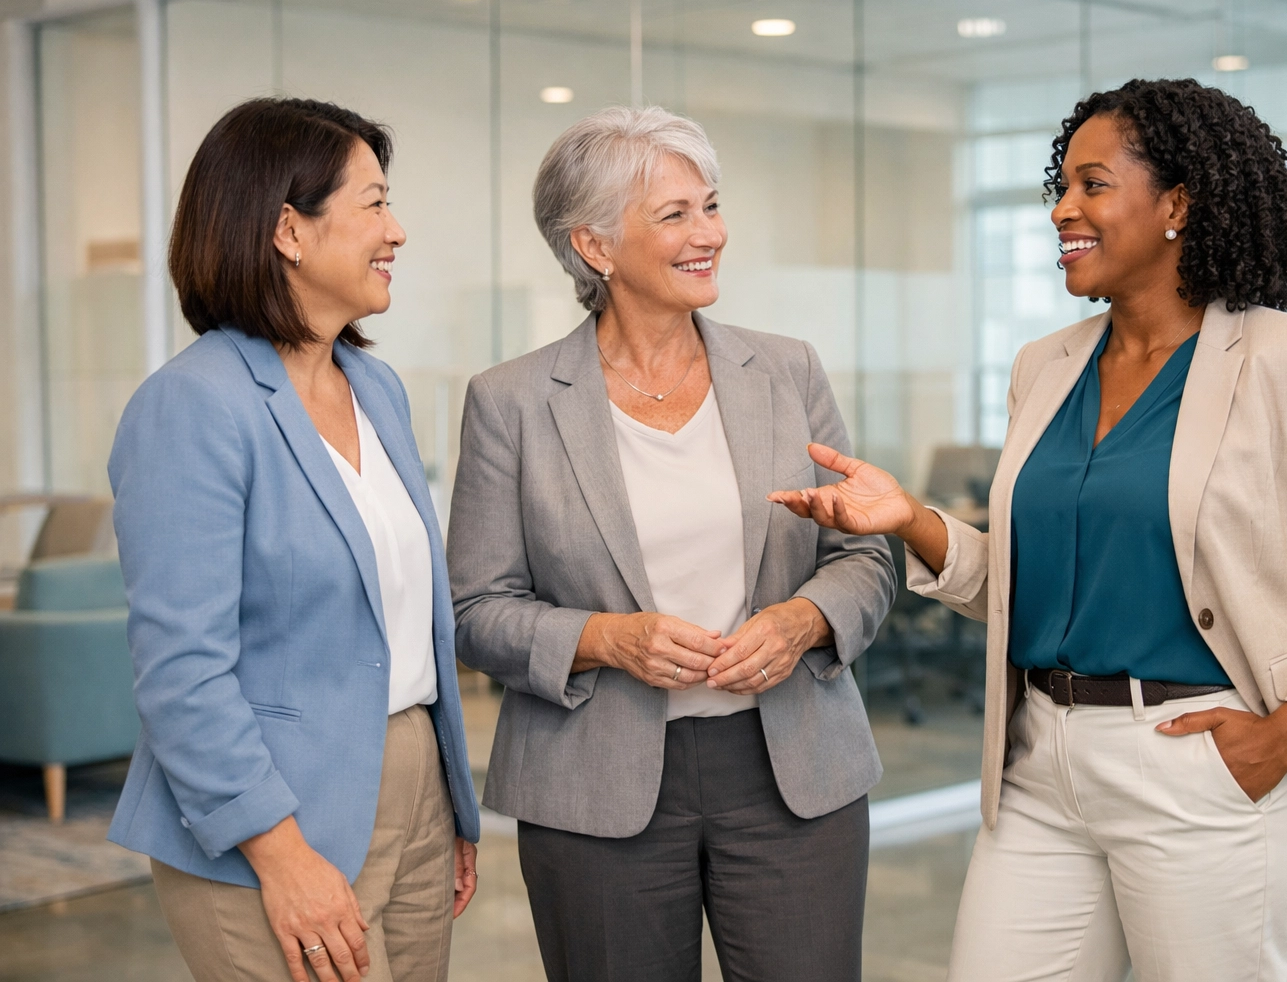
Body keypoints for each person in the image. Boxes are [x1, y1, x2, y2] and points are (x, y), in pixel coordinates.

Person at [769, 78, 1287, 982]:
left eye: (1092, 185)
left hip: (1204, 765)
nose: (1064, 209)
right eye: (1062, 187)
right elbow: (1027, 580)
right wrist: (910, 519)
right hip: (1041, 763)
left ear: (1176, 204)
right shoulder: (1045, 367)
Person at [448, 106, 894, 982]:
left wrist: (803, 620)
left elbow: (866, 555)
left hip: (792, 767)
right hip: (595, 779)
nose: (709, 235)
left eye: (712, 206)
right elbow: (474, 610)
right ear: (596, 247)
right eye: (675, 215)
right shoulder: (511, 401)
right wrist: (608, 639)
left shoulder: (787, 370)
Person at [107, 98, 480, 982]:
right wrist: (279, 854)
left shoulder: (376, 388)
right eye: (374, 203)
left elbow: (409, 616)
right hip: (269, 818)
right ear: (287, 230)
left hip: (414, 791)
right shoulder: (193, 407)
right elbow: (181, 669)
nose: (397, 230)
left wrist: (446, 804)